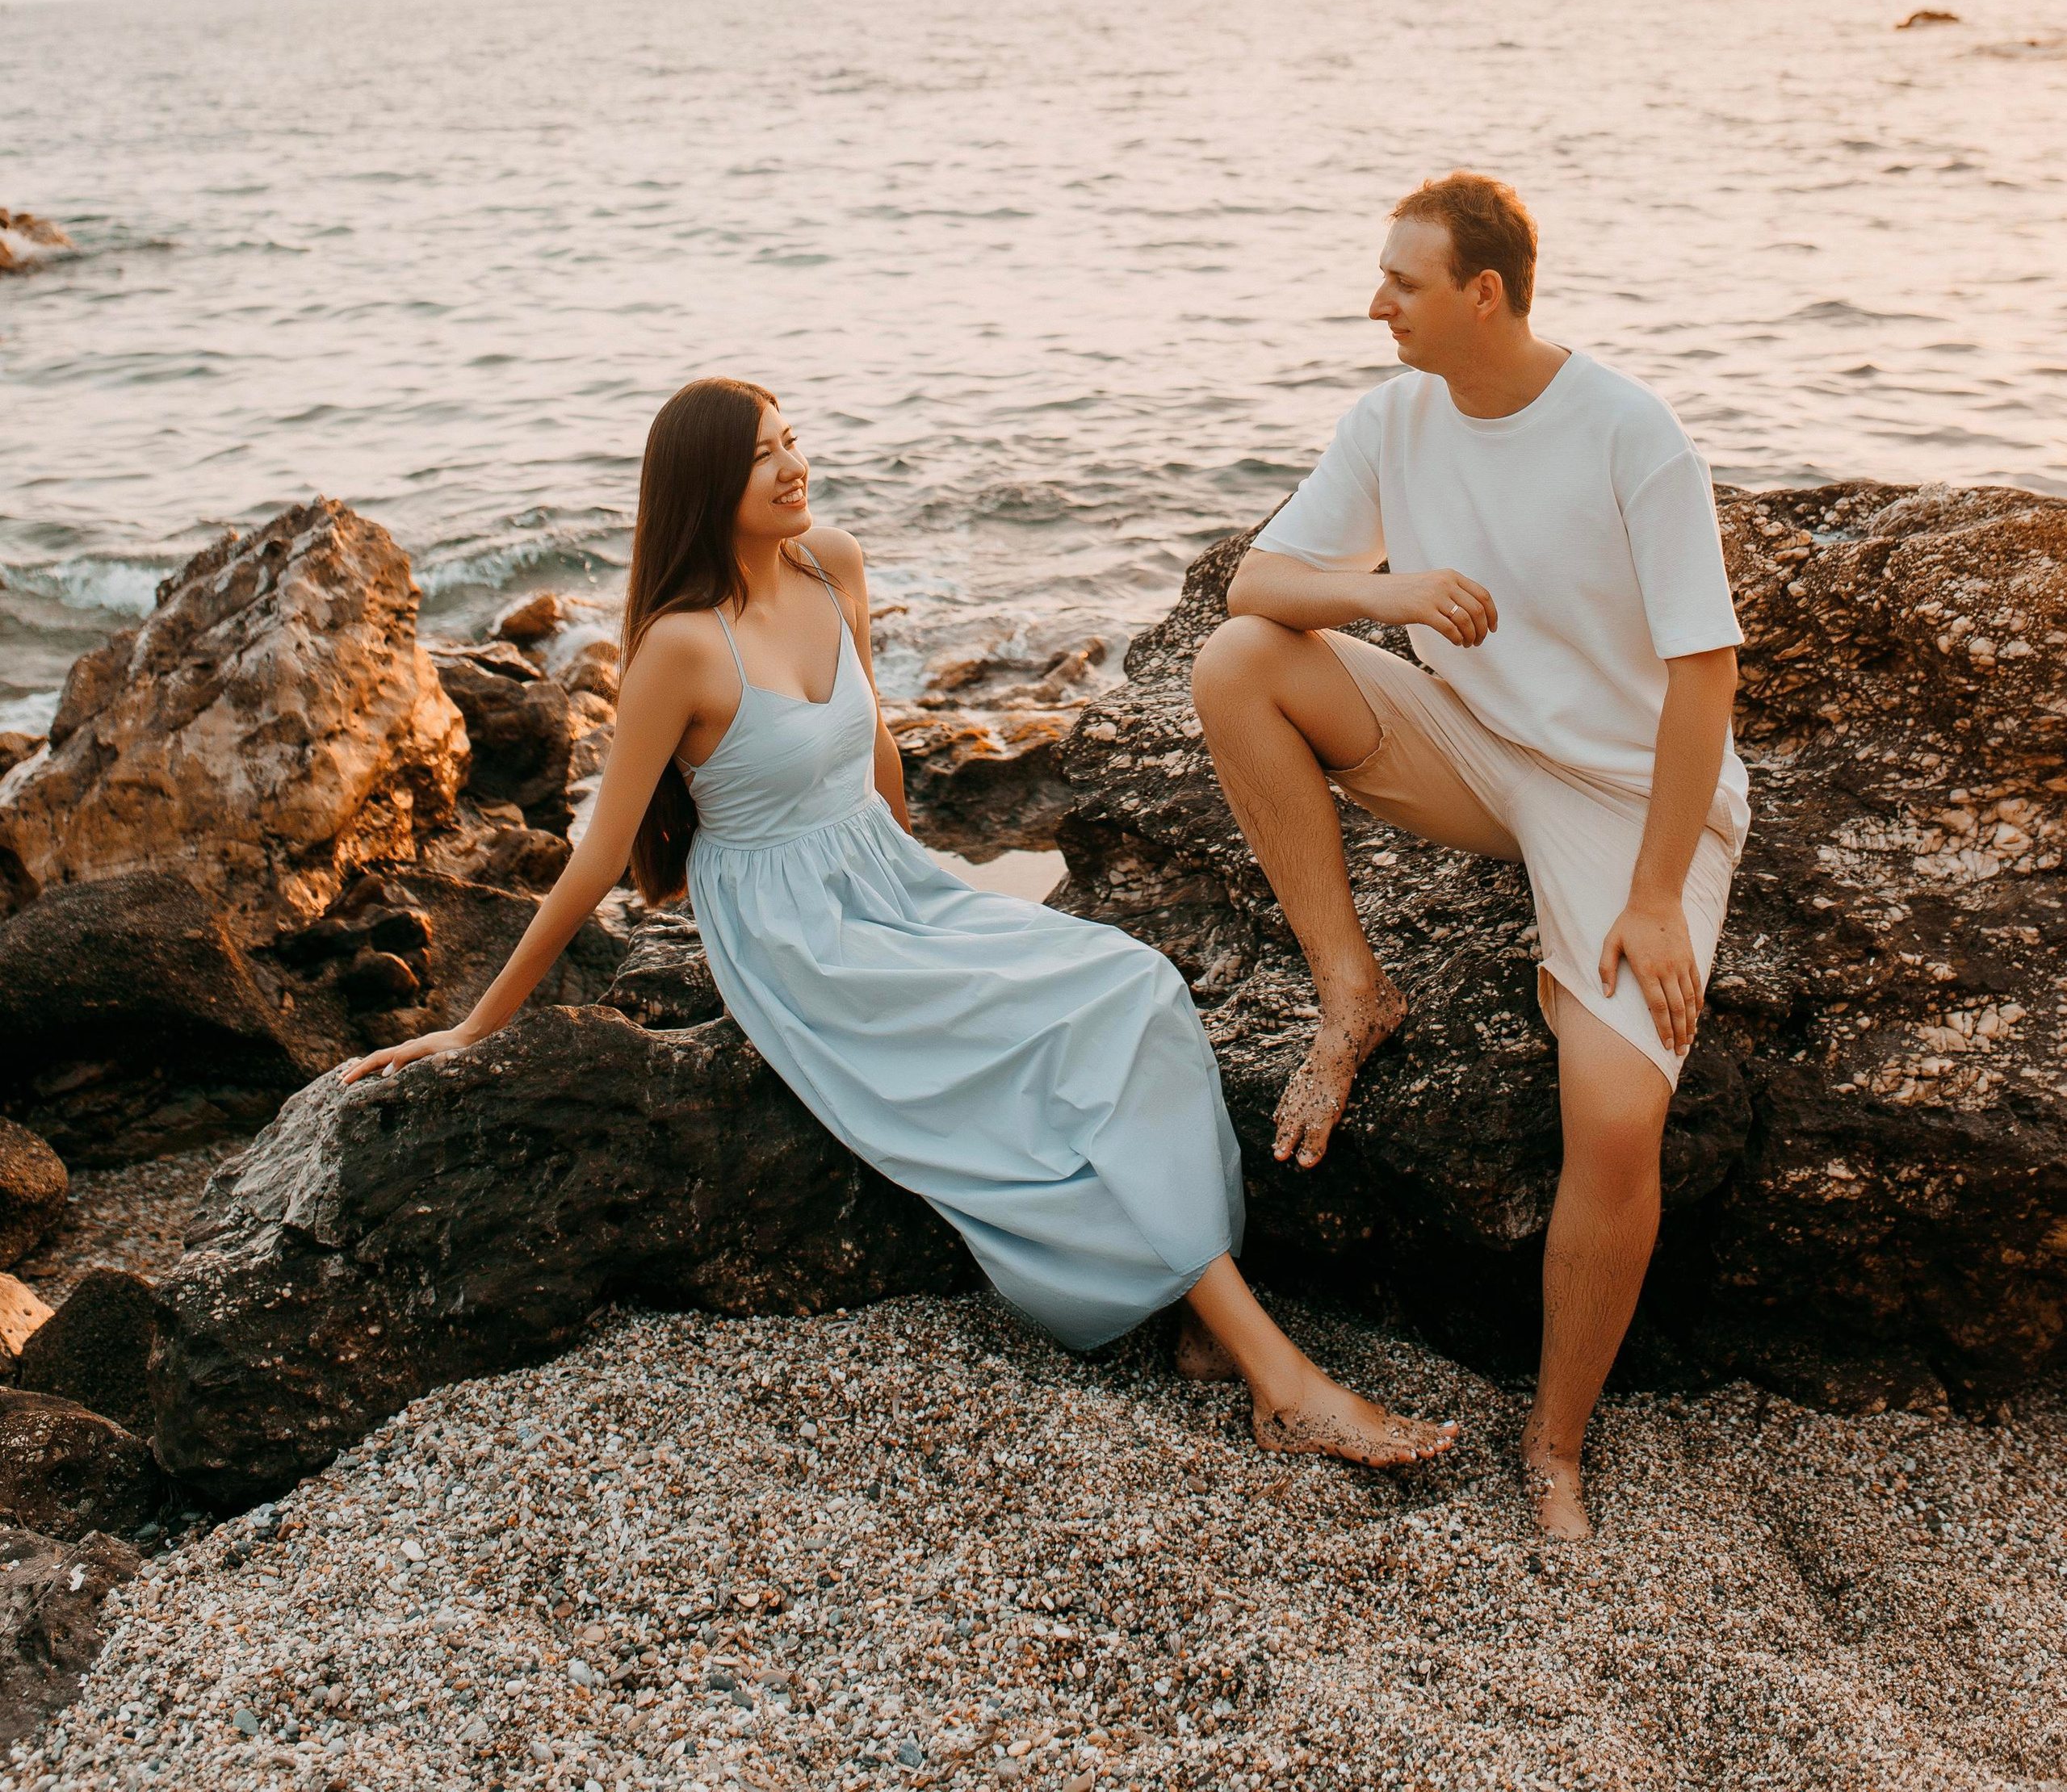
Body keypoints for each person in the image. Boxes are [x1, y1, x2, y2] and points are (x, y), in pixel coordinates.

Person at [347, 375, 1457, 1474]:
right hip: (792, 932)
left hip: (885, 877)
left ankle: (1209, 1323)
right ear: (703, 486)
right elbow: (599, 856)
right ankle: (1282, 1384)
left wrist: (934, 893)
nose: (794, 467)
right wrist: (475, 1026)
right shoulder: (679, 648)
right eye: (761, 456)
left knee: (1138, 985)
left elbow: (874, 739)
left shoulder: (830, 563)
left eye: (793, 439)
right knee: (1056, 1040)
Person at [1189, 174, 1743, 1541]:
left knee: (1614, 1121)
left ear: (1483, 294)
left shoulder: (1630, 432)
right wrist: (1383, 590)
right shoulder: (1393, 420)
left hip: (1623, 796)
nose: (1374, 303)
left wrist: (1657, 896)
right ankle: (1351, 991)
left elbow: (1705, 678)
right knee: (1239, 664)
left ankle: (1554, 1448)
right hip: (1475, 746)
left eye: (1403, 282)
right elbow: (1257, 585)